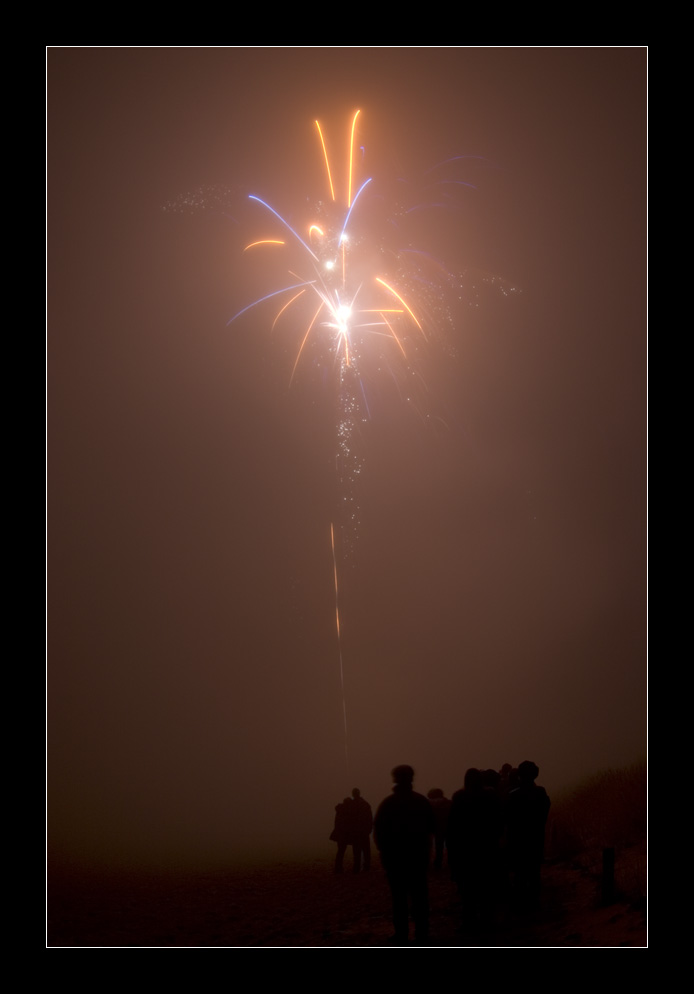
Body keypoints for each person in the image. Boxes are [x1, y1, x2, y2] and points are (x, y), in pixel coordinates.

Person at [374, 765, 436, 944]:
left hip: (395, 860)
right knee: (419, 898)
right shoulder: (421, 801)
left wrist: (385, 854)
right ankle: (422, 933)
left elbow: (379, 833)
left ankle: (401, 933)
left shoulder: (388, 803)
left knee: (399, 899)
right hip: (418, 858)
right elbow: (431, 828)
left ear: (394, 779)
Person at [506, 760, 550, 910]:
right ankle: (533, 901)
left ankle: (520, 903)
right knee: (534, 870)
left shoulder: (513, 795)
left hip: (518, 838)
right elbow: (544, 814)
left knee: (520, 871)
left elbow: (507, 818)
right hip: (535, 836)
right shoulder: (541, 792)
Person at [350, 788, 373, 873]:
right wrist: (369, 829)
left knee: (356, 851)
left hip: (356, 831)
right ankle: (366, 867)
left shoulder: (351, 805)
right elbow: (370, 818)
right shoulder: (365, 804)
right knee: (366, 850)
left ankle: (356, 867)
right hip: (364, 831)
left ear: (353, 794)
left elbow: (349, 819)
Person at [330, 797, 354, 874]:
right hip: (344, 834)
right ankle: (339, 868)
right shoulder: (346, 811)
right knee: (342, 851)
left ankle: (338, 868)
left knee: (340, 852)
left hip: (340, 834)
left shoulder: (340, 810)